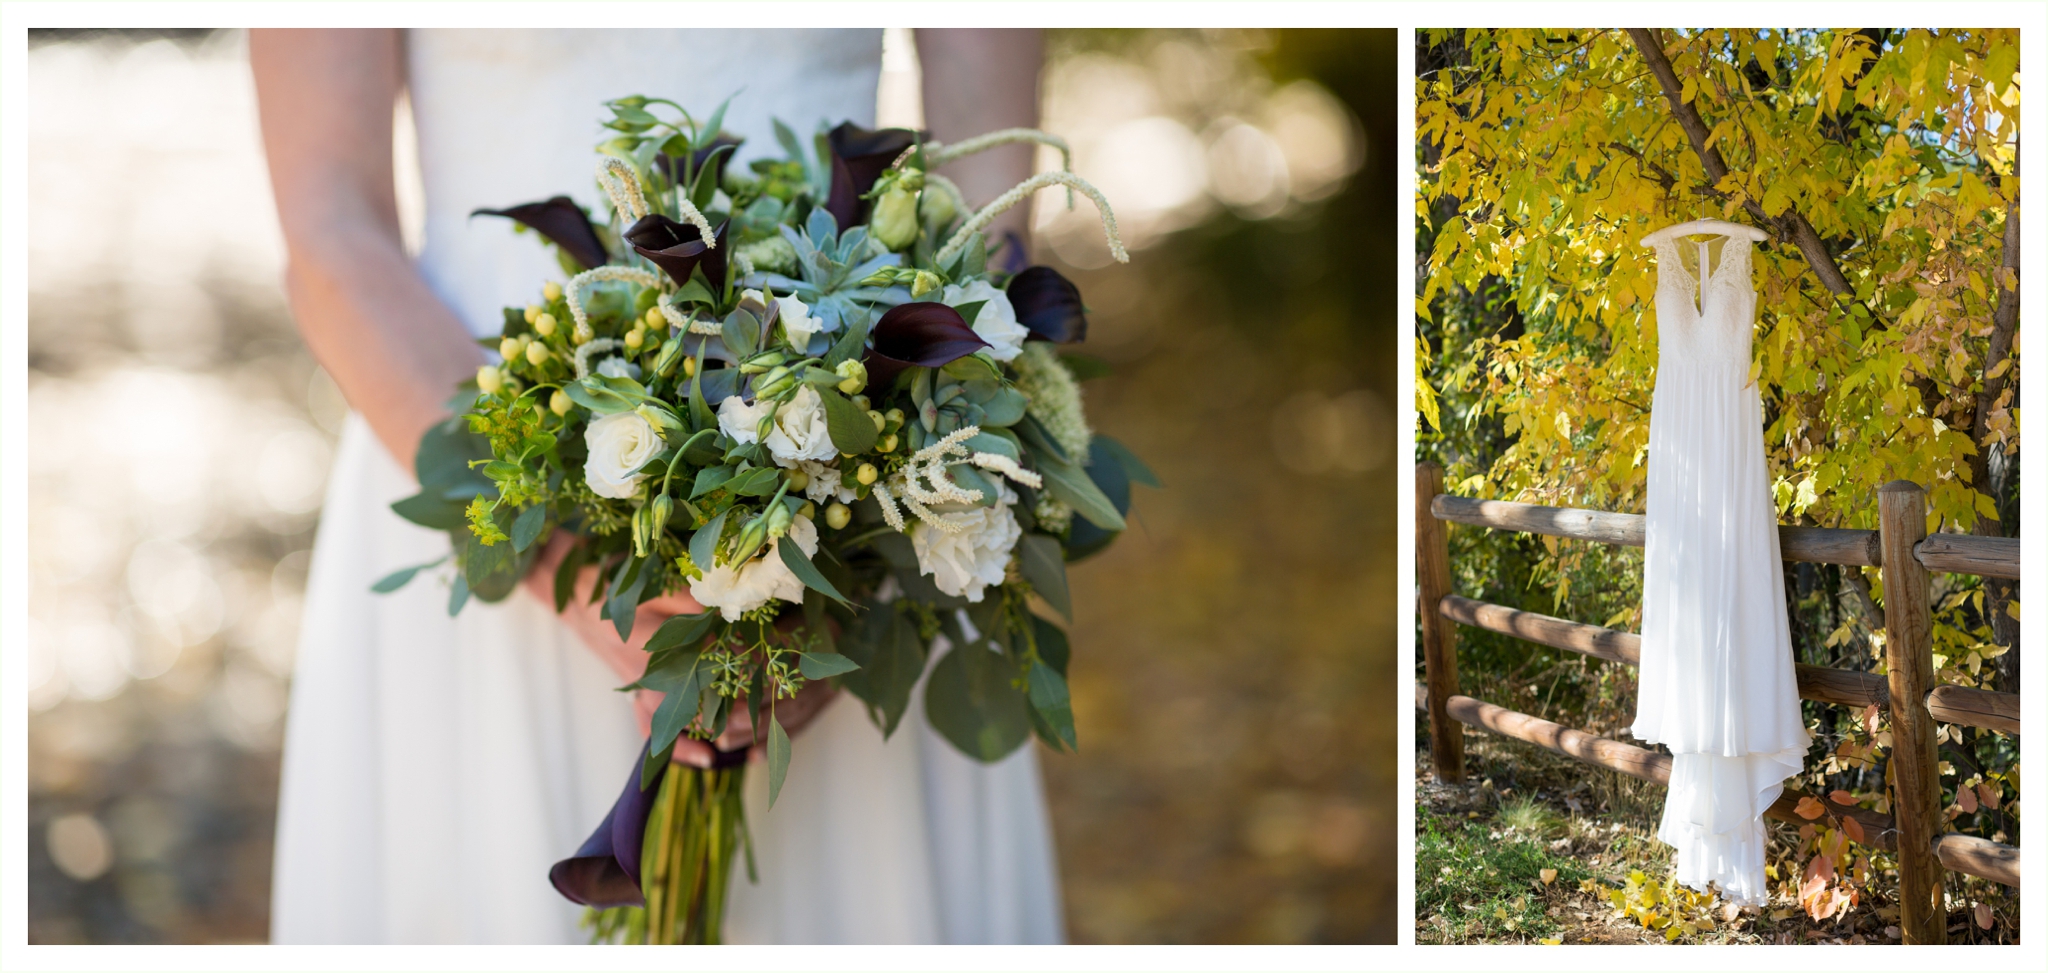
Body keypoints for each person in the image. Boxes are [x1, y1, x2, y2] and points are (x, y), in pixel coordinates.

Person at [251, 27, 1060, 944]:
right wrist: (570, 561)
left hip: (863, 486)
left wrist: (866, 540)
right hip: (478, 455)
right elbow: (330, 229)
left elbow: (991, 190)